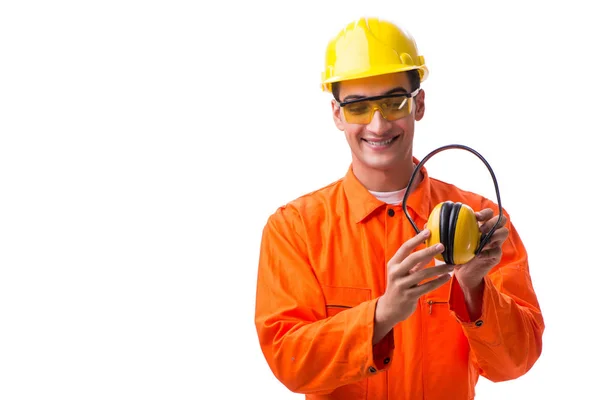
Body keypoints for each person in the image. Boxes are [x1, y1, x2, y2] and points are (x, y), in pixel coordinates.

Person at [254, 17, 544, 399]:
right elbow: (290, 362)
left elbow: (516, 362)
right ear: (337, 115)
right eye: (358, 107)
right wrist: (381, 314)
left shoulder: (482, 222)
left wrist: (475, 287)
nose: (377, 124)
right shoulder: (295, 229)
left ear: (418, 104)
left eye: (393, 102)